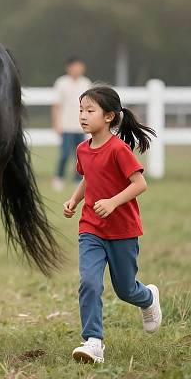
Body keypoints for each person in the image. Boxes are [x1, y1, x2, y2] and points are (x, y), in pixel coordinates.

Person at [63, 85, 161, 364]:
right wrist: (74, 200)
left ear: (109, 117)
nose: (82, 116)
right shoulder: (82, 149)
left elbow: (140, 184)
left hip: (123, 231)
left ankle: (147, 297)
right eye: (81, 110)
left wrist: (114, 202)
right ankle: (93, 341)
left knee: (125, 289)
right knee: (89, 282)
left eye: (89, 111)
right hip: (91, 228)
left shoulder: (119, 149)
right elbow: (88, 178)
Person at [52, 57, 91, 191]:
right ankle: (59, 177)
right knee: (64, 153)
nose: (77, 69)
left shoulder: (86, 83)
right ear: (68, 68)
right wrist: (57, 123)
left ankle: (77, 179)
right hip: (66, 125)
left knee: (80, 155)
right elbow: (56, 105)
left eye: (79, 66)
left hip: (81, 126)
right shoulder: (61, 83)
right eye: (74, 66)